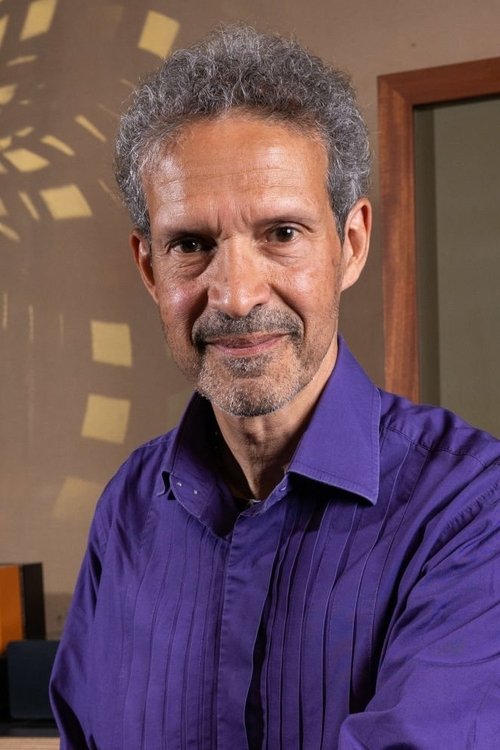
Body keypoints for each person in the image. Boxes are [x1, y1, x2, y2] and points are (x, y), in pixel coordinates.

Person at [50, 24, 500, 750]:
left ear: (350, 245)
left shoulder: (473, 511)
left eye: (282, 234)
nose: (235, 295)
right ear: (150, 268)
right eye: (191, 244)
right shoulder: (127, 510)